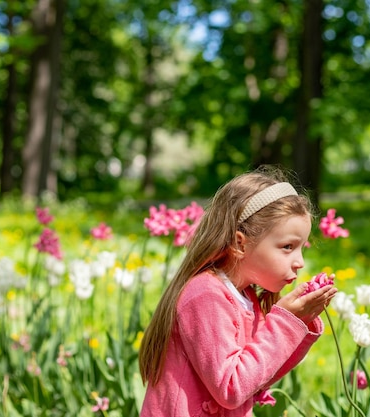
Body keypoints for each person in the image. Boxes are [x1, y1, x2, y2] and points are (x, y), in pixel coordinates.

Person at [138, 166, 337, 417]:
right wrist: (285, 323)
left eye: (301, 248)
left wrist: (299, 322)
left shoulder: (245, 297)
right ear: (239, 243)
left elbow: (258, 375)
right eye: (287, 247)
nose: (300, 262)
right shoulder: (206, 295)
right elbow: (231, 388)